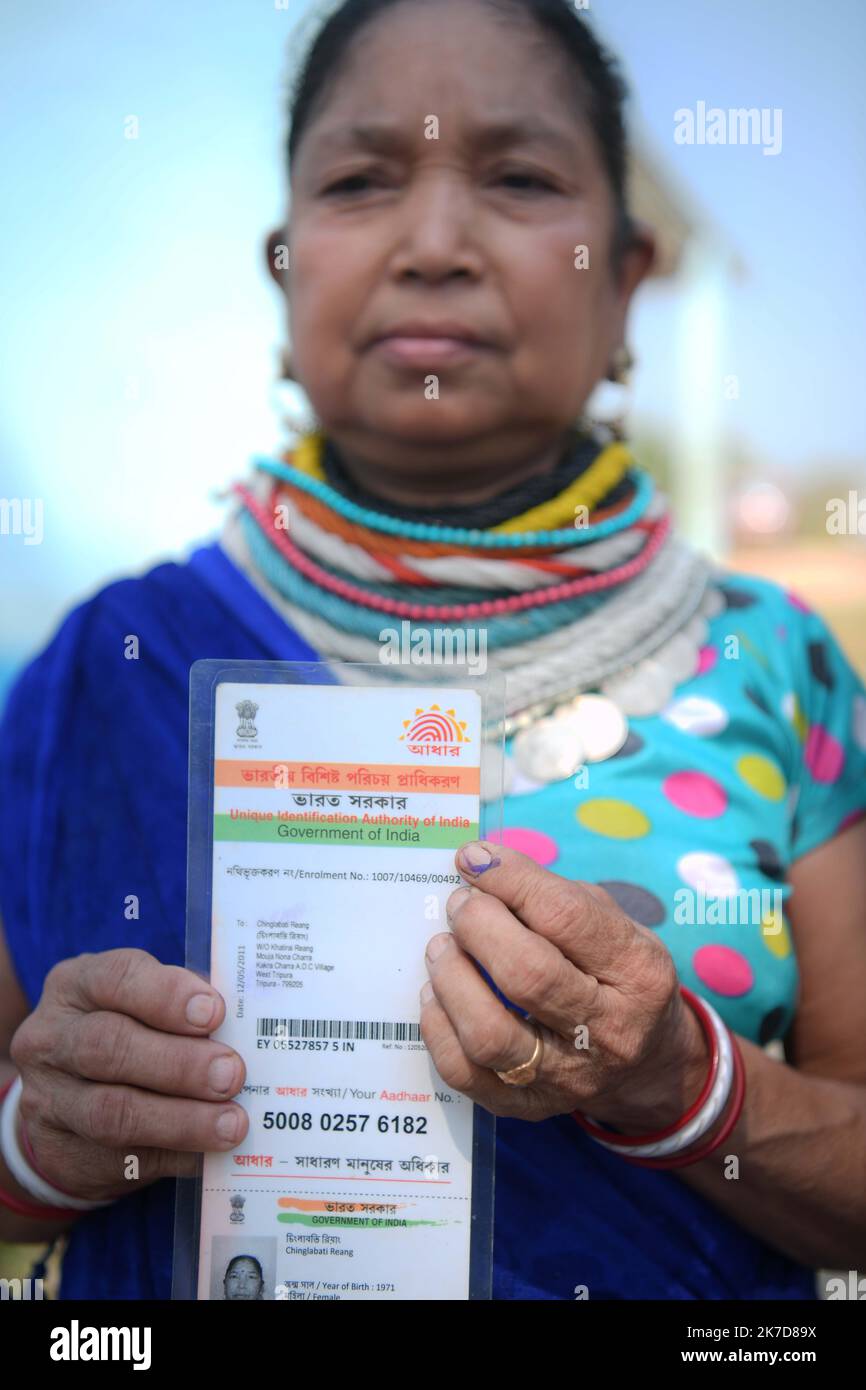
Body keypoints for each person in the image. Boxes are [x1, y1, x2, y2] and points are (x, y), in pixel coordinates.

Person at [1, 0, 866, 1301]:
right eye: (361, 181)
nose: (435, 242)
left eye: (518, 178)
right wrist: (48, 1143)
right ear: (286, 263)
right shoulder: (105, 670)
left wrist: (688, 1085)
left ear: (625, 277)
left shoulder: (775, 662)